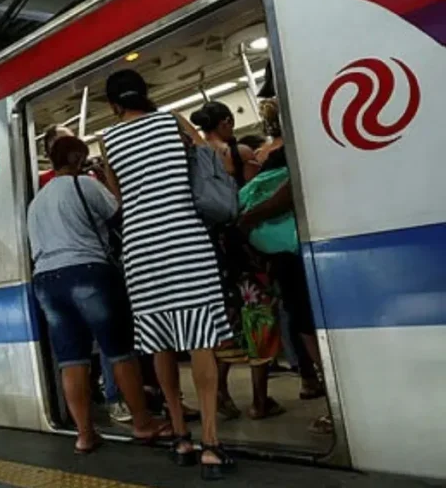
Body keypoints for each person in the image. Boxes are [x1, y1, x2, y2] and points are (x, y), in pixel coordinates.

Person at [100, 69, 236, 479]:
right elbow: (213, 159)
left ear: (114, 104)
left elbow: (117, 197)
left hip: (141, 248)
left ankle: (179, 437)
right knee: (200, 339)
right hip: (186, 238)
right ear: (146, 94)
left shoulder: (107, 141)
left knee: (159, 340)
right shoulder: (173, 121)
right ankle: (210, 444)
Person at [28, 136, 173, 455]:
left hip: (46, 281)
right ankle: (142, 423)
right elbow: (120, 216)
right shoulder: (85, 184)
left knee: (72, 359)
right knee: (119, 350)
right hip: (87, 271)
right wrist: (109, 176)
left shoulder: (36, 201)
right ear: (78, 157)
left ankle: (84, 434)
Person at [239, 97, 330, 434]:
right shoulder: (297, 145)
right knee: (310, 319)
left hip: (285, 252)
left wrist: (249, 217)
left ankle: (327, 393)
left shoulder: (267, 155)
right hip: (302, 243)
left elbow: (283, 194)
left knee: (304, 321)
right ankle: (331, 395)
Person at [191, 102, 283, 420]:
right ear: (226, 122)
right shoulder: (239, 151)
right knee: (260, 318)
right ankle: (259, 402)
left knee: (227, 324)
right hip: (244, 246)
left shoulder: (193, 159)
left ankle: (221, 396)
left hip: (212, 250)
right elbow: (255, 194)